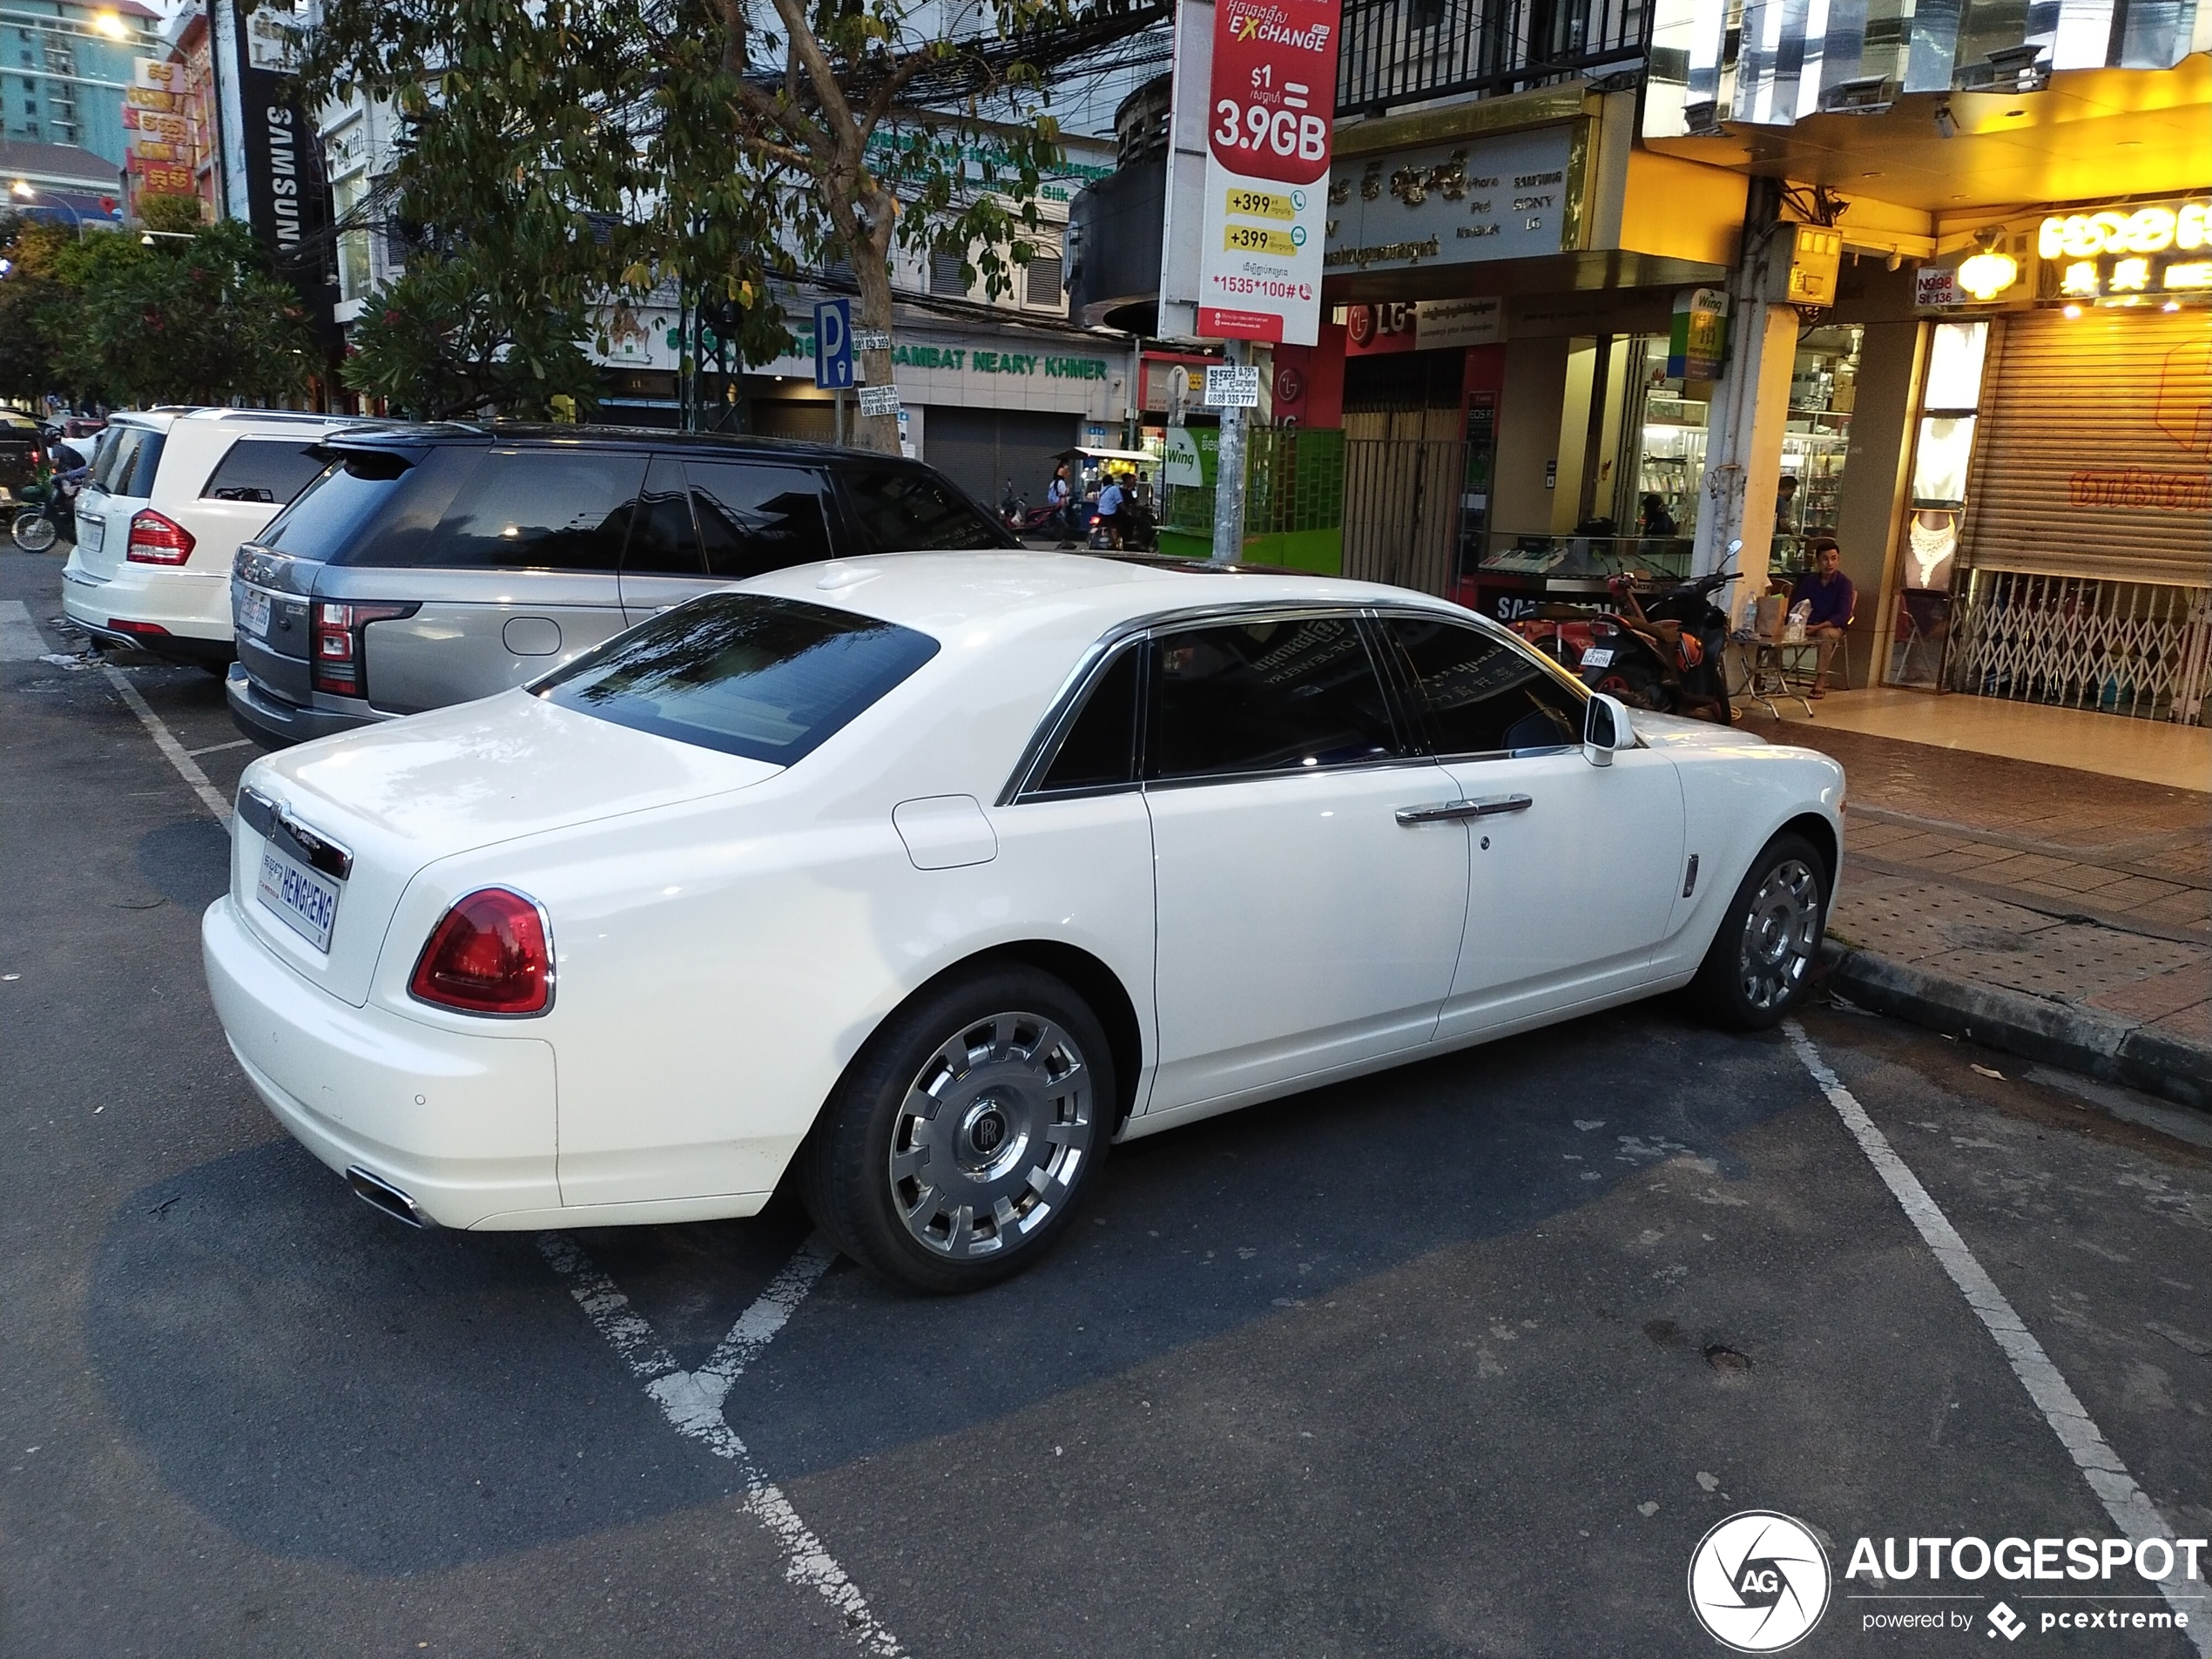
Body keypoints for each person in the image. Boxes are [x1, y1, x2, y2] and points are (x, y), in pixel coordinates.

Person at [1787, 536, 1855, 698]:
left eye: (1833, 559)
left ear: (1838, 560)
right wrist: (1798, 624)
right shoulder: (1810, 582)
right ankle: (1772, 675)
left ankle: (1820, 680)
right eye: (1825, 559)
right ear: (1818, 561)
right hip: (1809, 623)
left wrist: (1818, 627)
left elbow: (1843, 615)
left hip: (1832, 626)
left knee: (1825, 636)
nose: (1829, 563)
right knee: (1777, 631)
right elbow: (1797, 604)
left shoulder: (1844, 583)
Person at [1095, 470, 1126, 550]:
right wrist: (1126, 511)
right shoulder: (1114, 489)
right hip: (1110, 514)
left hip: (1100, 513)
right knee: (1116, 526)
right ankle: (1115, 542)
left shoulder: (1102, 490)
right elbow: (1120, 502)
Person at [1047, 462, 1075, 549]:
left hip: (1052, 505)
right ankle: (1062, 539)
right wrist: (1068, 489)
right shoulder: (1061, 483)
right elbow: (1063, 493)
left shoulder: (1053, 483)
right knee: (1063, 524)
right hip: (1059, 506)